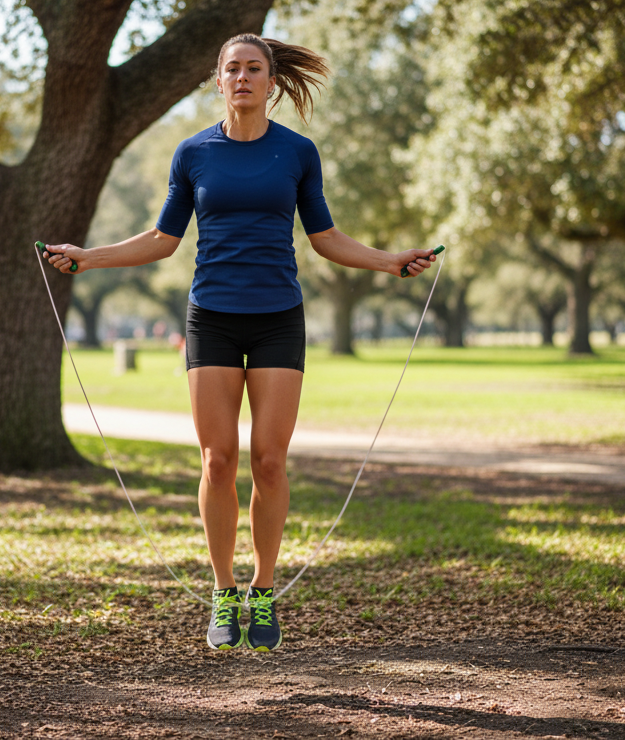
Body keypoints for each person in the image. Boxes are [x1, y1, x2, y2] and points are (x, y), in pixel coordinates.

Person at [42, 33, 438, 652]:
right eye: (234, 69)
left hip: (279, 317)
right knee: (217, 460)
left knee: (270, 462)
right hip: (212, 319)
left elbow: (326, 238)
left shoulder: (298, 154)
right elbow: (162, 237)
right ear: (217, 79)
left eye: (255, 69)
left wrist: (391, 262)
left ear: (273, 82)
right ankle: (224, 592)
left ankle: (264, 590)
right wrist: (88, 258)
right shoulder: (193, 153)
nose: (244, 78)